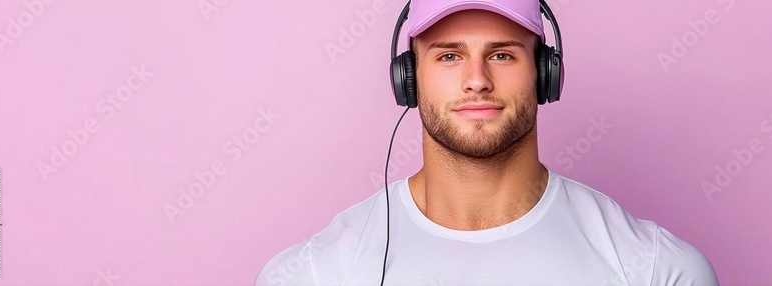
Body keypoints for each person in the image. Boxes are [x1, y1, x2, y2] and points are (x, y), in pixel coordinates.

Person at [256, 0, 719, 285]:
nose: (476, 80)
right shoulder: (313, 275)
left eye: (501, 54)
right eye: (449, 56)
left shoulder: (657, 271)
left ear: (545, 74)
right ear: (409, 78)